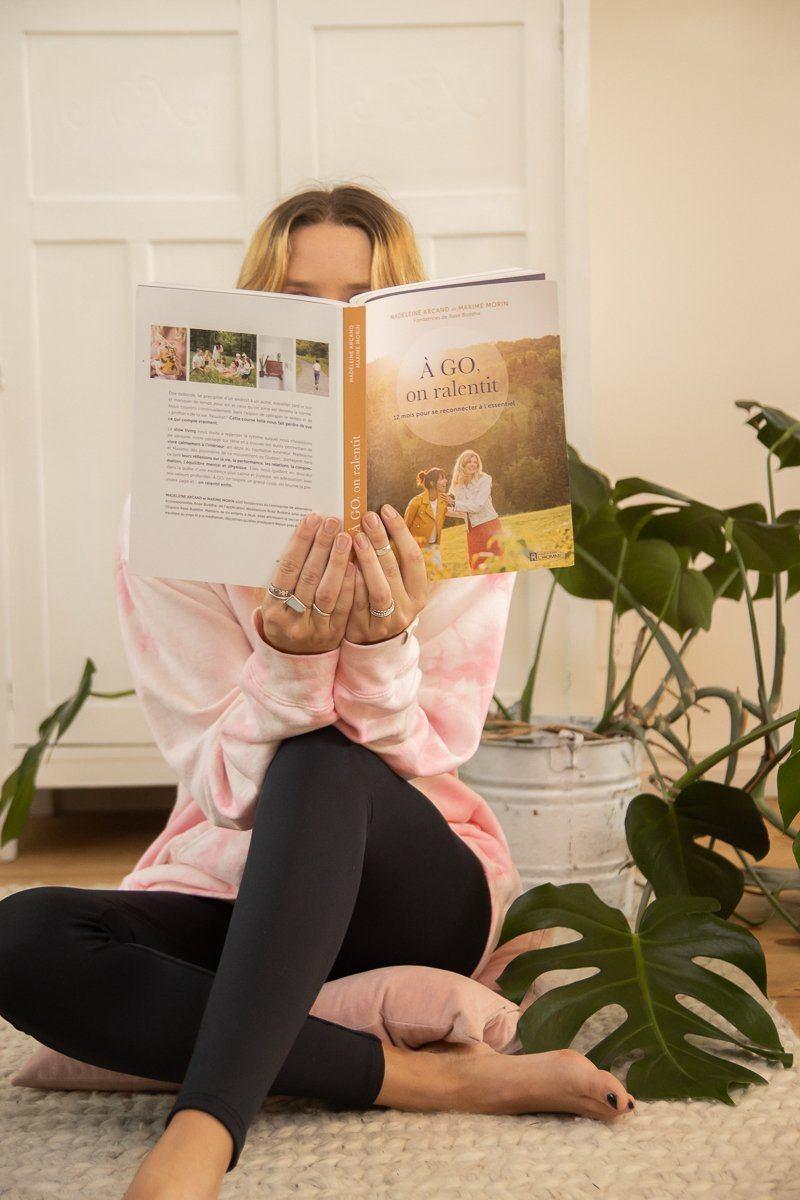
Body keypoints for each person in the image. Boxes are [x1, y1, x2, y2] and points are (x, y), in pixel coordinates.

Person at [0, 184, 634, 1200]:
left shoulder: (467, 524)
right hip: (242, 875)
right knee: (22, 939)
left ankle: (200, 1138)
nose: (335, 331)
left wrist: (381, 640)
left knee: (320, 762)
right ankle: (432, 1085)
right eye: (302, 302)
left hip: (413, 882)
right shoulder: (165, 524)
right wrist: (289, 658)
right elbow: (219, 786)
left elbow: (431, 752)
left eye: (363, 304)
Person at [446, 450, 505, 572]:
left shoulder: (484, 479)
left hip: (489, 526)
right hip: (472, 531)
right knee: (478, 568)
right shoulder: (458, 485)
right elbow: (464, 512)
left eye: (475, 462)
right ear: (462, 464)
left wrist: (453, 503)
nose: (473, 465)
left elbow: (477, 506)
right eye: (469, 461)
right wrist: (444, 510)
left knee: (497, 566)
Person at [403, 466, 450, 569]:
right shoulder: (416, 502)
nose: (446, 481)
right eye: (442, 478)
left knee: (438, 576)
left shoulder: (443, 501)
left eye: (445, 478)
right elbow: (404, 528)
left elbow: (451, 512)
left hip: (434, 547)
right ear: (432, 483)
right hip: (417, 549)